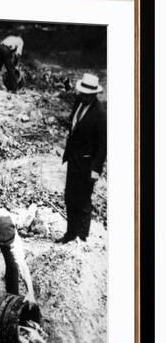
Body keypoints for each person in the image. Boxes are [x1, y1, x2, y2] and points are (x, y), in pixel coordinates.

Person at [57, 73, 107, 243]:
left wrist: (96, 169)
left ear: (94, 94)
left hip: (87, 164)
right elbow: (74, 125)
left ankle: (82, 237)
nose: (84, 96)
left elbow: (103, 145)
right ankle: (70, 233)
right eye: (82, 93)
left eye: (87, 95)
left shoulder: (100, 114)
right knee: (70, 197)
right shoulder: (79, 101)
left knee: (84, 201)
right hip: (73, 159)